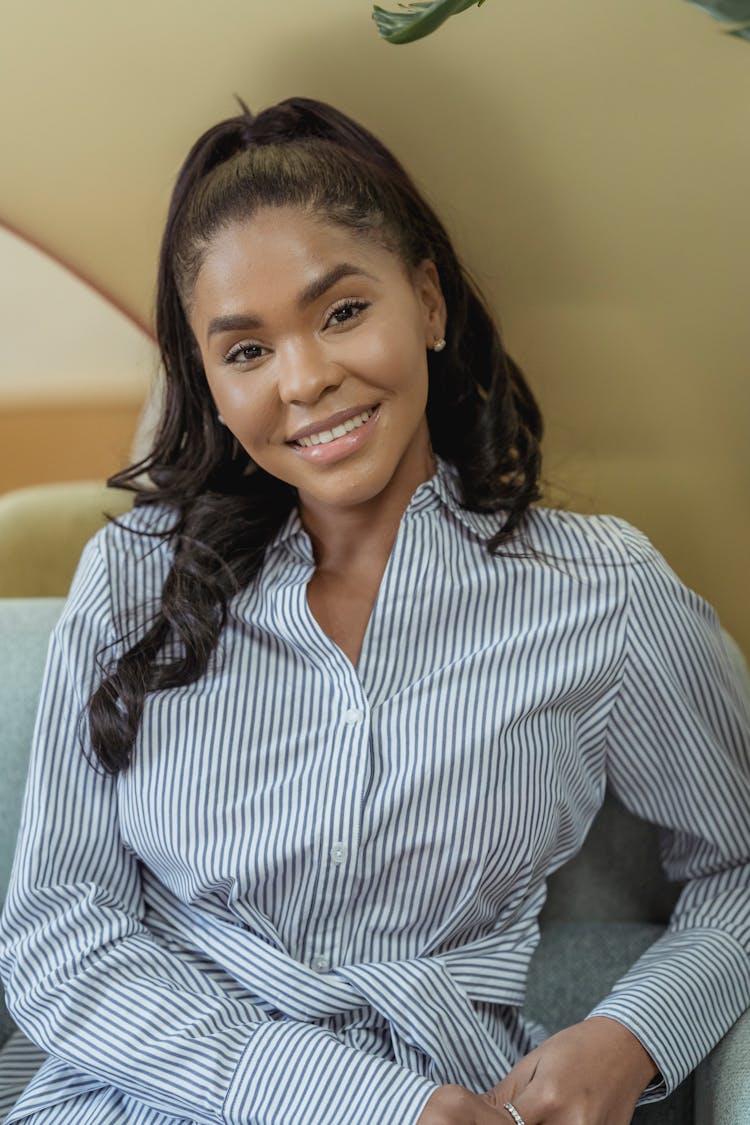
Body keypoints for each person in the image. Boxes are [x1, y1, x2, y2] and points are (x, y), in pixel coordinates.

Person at [0, 95, 748, 1125]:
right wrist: (353, 1101)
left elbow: (742, 871)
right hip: (143, 1095)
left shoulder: (603, 594)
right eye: (247, 350)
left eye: (343, 311)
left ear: (429, 305)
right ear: (210, 385)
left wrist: (634, 1033)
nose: (306, 380)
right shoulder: (133, 579)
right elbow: (56, 934)